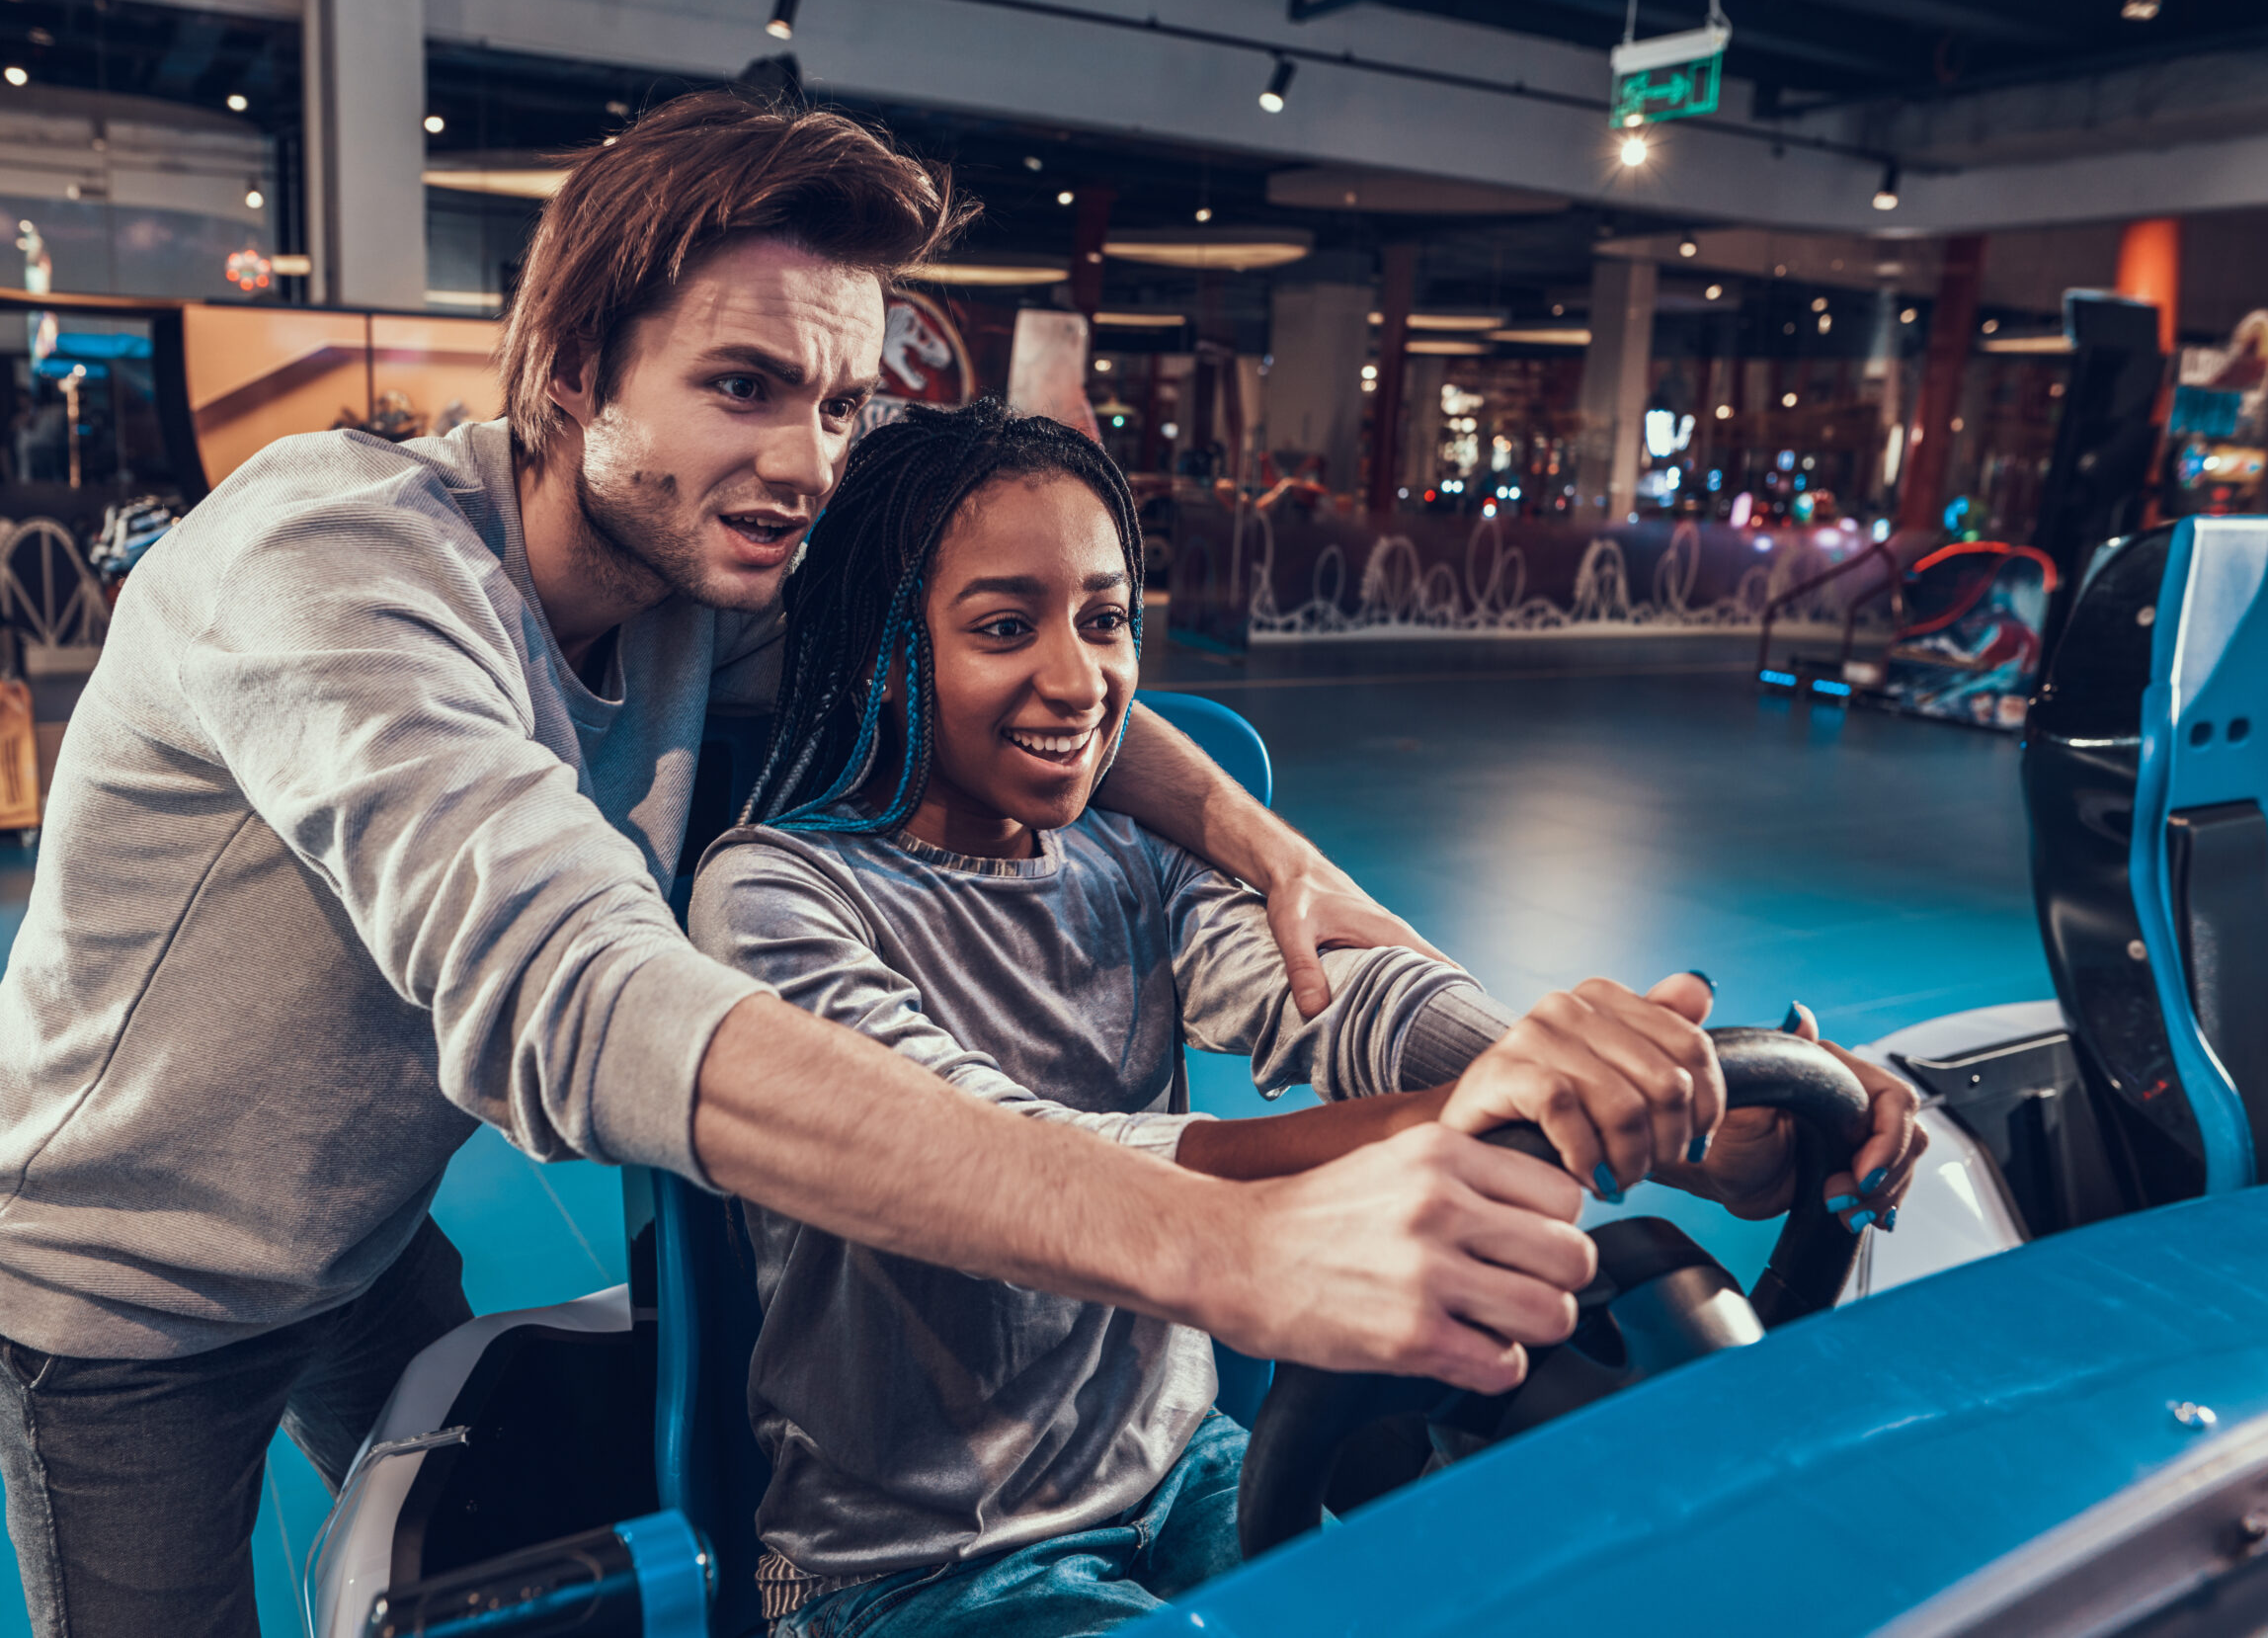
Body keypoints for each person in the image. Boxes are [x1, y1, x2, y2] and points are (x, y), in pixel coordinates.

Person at [0, 92, 1732, 1638]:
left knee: (435, 1504)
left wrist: (1253, 836)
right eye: (745, 384)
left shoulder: (707, 573)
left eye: (842, 404)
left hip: (357, 1209)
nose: (806, 460)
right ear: (563, 371)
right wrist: (1220, 1237)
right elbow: (578, 989)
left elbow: (1007, 676)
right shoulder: (333, 569)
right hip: (123, 1274)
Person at [688, 398, 1925, 1636]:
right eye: (1006, 627)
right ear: (880, 652)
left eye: (1107, 619)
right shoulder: (777, 895)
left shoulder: (1126, 851)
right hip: (916, 1563)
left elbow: (1348, 996)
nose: (1078, 678)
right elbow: (1014, 1157)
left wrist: (1654, 1110)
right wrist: (1474, 1112)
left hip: (1186, 1473)